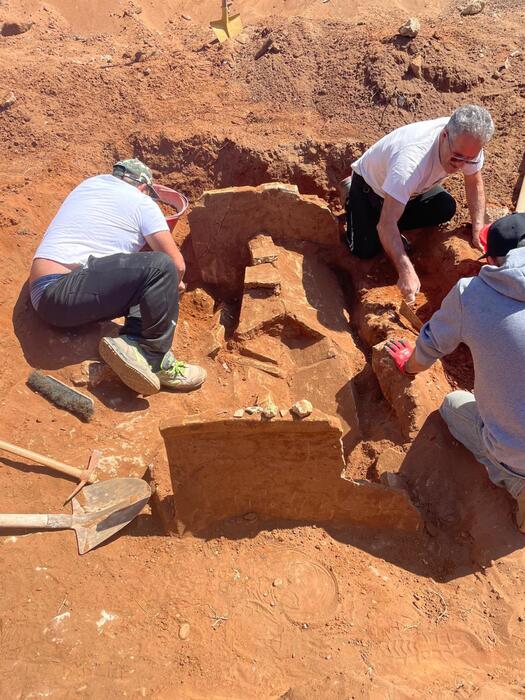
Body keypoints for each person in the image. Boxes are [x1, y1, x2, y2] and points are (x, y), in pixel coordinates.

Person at [386, 213, 525, 533]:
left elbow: (430, 347)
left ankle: (517, 483)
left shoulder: (472, 293)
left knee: (453, 404)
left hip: (518, 457)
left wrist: (410, 364)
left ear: (492, 259)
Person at [29, 158, 206, 396]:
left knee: (150, 276)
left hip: (44, 295)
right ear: (144, 187)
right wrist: (170, 285)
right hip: (65, 290)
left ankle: (135, 344)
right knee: (163, 265)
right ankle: (151, 355)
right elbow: (176, 264)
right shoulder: (143, 203)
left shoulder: (87, 186)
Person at [341, 105, 494, 303]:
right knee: (364, 249)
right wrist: (406, 270)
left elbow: (474, 181)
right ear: (444, 136)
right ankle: (350, 194)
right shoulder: (410, 162)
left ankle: (393, 217)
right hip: (371, 189)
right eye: (456, 157)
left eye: (469, 159)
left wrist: (478, 228)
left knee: (445, 207)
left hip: (410, 191)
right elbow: (386, 224)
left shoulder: (467, 144)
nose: (461, 165)